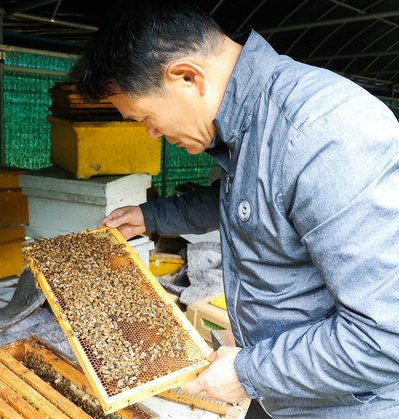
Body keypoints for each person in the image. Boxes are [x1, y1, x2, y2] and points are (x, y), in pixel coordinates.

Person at [72, 0, 399, 417]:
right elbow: (248, 197)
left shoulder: (325, 133)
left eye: (146, 117)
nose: (152, 134)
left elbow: (387, 337)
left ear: (187, 77)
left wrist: (247, 371)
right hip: (284, 389)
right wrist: (150, 216)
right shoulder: (251, 128)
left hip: (348, 404)